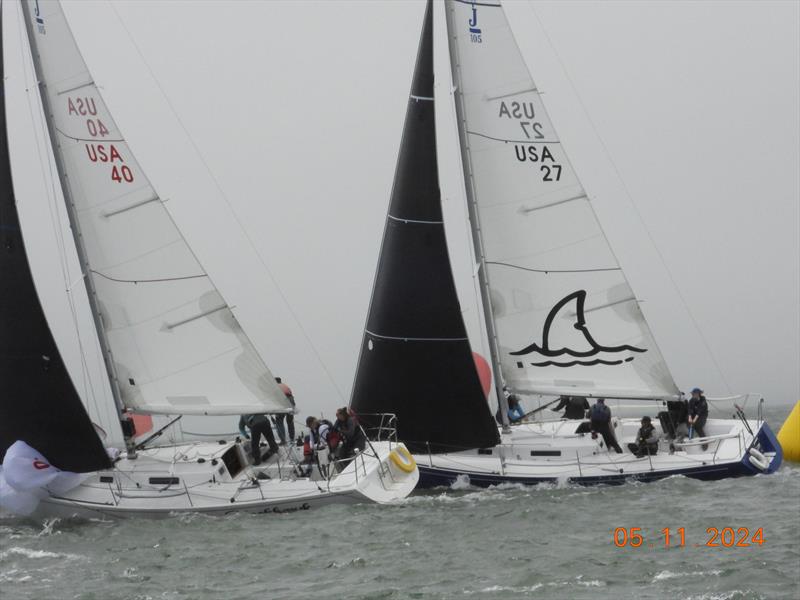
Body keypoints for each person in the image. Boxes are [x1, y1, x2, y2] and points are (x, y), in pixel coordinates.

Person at [272, 377, 296, 445]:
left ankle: (283, 440)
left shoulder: (275, 387)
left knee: (279, 421)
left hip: (282, 402)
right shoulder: (285, 386)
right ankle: (292, 439)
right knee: (290, 421)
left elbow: (274, 399)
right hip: (291, 402)